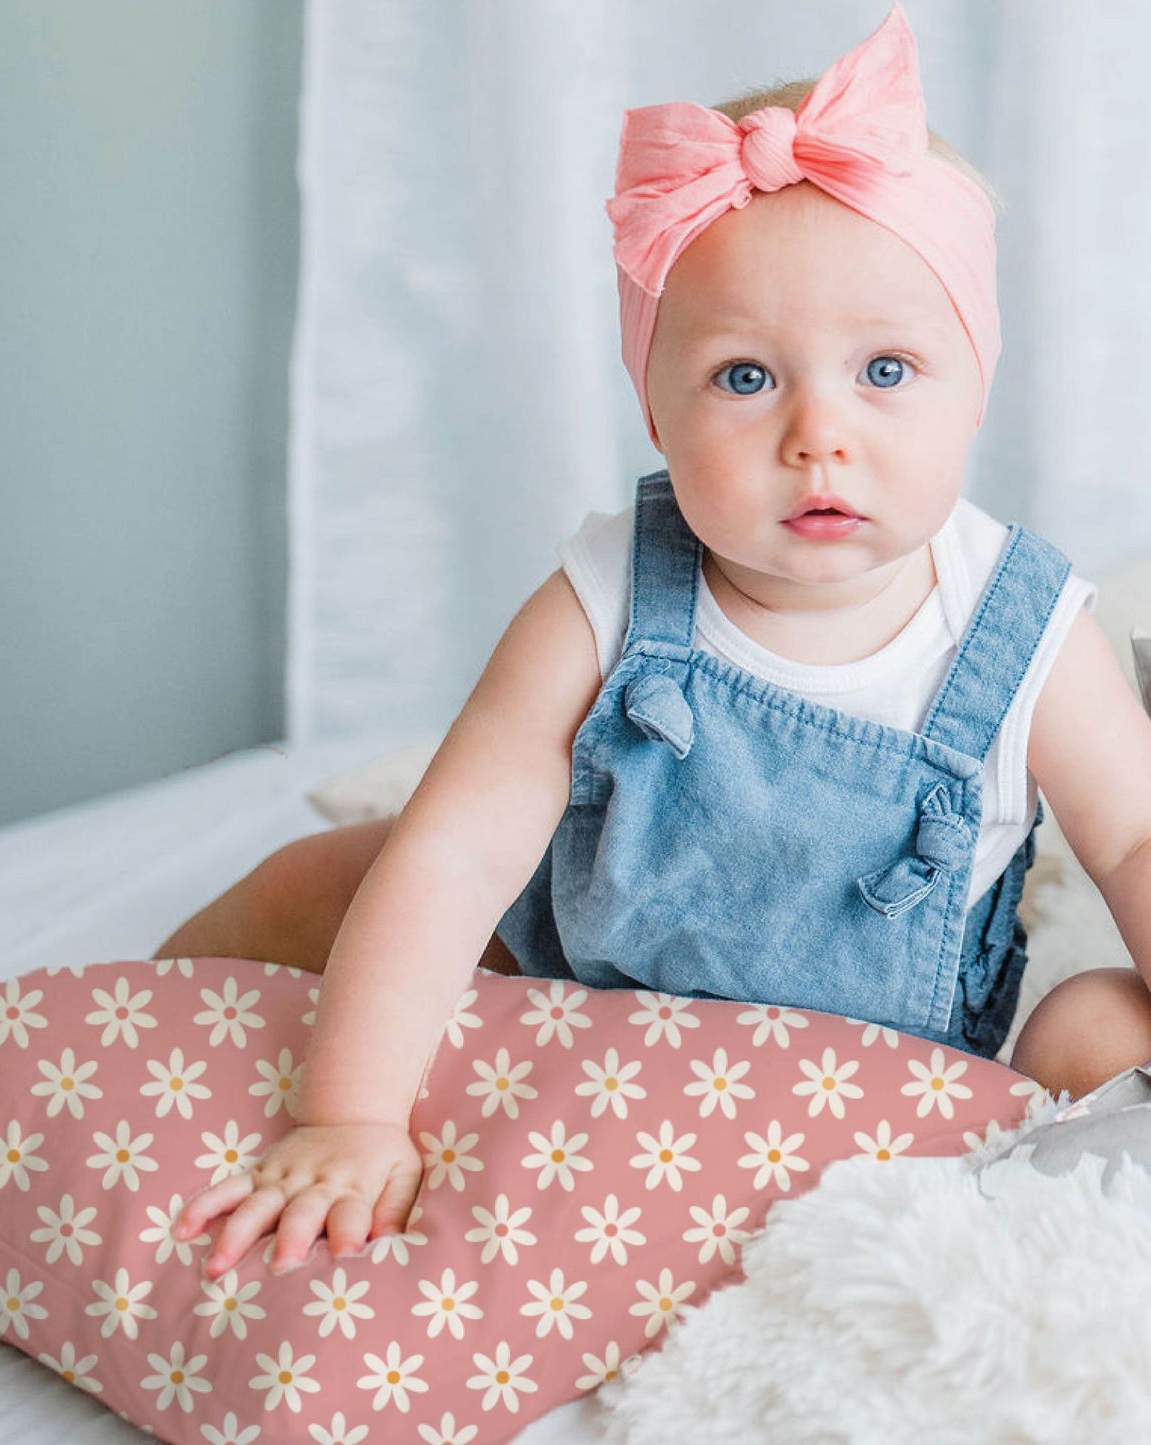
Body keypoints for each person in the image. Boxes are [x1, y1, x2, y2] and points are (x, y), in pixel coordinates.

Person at [162, 5, 1151, 1281]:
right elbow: (459, 846)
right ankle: (133, 1030)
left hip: (891, 1082)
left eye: (886, 370)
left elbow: (1129, 837)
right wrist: (347, 1113)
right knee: (342, 873)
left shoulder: (1024, 627)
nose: (817, 434)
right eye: (744, 377)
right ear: (654, 404)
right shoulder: (608, 589)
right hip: (581, 1012)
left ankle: (1014, 1208)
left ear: (976, 384)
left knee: (1098, 1019)